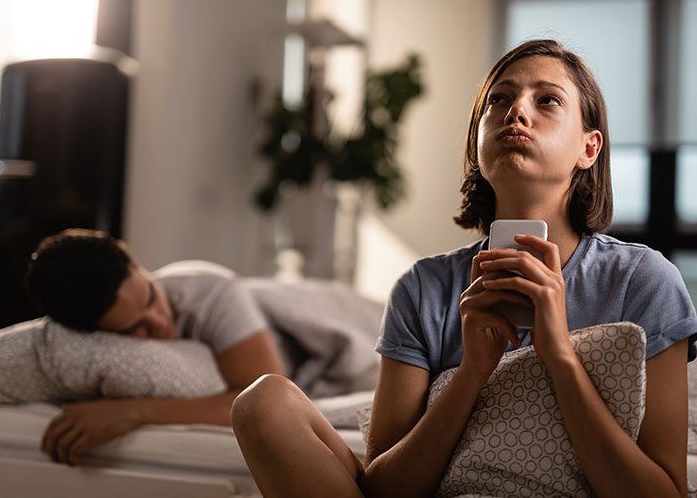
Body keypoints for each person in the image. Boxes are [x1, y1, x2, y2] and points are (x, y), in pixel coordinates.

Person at [230, 39, 697, 497]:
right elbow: (386, 488)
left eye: (548, 100)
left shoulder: (644, 281)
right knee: (262, 403)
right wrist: (473, 371)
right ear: (477, 143)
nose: (518, 111)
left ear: (589, 149)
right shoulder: (423, 288)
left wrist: (558, 354)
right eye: (499, 99)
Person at [26, 228, 285, 466]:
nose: (160, 322)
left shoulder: (214, 295)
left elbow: (268, 405)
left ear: (137, 265)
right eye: (133, 328)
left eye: (151, 296)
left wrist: (133, 412)